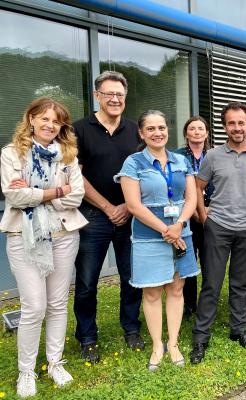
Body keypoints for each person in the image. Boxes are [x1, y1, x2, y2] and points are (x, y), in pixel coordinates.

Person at [1, 98, 87, 397]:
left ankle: (55, 362)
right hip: (23, 236)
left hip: (64, 234)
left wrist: (34, 192)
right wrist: (55, 191)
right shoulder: (12, 154)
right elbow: (14, 198)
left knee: (58, 303)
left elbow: (76, 197)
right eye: (44, 119)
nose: (50, 125)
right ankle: (26, 371)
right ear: (32, 119)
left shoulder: (68, 156)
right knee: (34, 306)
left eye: (57, 121)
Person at [190, 102, 246, 364]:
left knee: (240, 284)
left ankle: (239, 330)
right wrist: (204, 217)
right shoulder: (213, 156)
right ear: (225, 126)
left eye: (241, 123)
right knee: (212, 284)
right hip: (219, 228)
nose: (237, 128)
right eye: (232, 123)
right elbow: (197, 187)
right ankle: (201, 337)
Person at [116, 110, 198, 371]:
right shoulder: (133, 163)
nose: (157, 132)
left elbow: (192, 198)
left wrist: (179, 225)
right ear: (141, 133)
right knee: (151, 292)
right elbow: (133, 205)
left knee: (176, 288)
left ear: (167, 130)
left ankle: (173, 343)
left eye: (161, 127)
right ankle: (156, 345)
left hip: (181, 232)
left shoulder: (180, 160)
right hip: (149, 238)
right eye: (150, 129)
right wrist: (167, 230)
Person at [73, 71, 143, 363]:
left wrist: (128, 205)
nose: (115, 99)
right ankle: (87, 337)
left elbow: (141, 172)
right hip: (93, 215)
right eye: (109, 94)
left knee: (131, 277)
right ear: (97, 95)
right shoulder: (79, 129)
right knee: (87, 281)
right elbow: (74, 173)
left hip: (130, 215)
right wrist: (107, 207)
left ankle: (131, 328)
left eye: (120, 95)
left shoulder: (134, 130)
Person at [175, 116, 214, 317]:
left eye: (201, 128)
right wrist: (194, 209)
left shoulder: (214, 155)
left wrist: (206, 209)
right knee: (188, 259)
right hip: (186, 215)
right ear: (186, 133)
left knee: (209, 261)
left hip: (211, 214)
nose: (197, 132)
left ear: (207, 133)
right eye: (192, 128)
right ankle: (189, 305)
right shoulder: (177, 156)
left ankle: (207, 304)